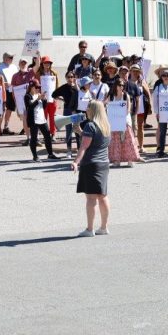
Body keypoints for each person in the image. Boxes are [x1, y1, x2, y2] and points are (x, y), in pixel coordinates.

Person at [71, 100, 112, 237]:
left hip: (91, 164)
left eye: (88, 107)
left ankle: (90, 229)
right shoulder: (106, 125)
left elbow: (84, 147)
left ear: (93, 110)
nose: (86, 109)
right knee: (103, 196)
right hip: (104, 163)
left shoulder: (90, 125)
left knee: (91, 198)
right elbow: (95, 142)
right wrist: (81, 132)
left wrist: (76, 162)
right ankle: (104, 227)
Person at [105, 79, 142, 167]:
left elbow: (128, 109)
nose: (121, 87)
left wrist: (123, 112)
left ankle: (130, 159)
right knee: (115, 141)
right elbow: (105, 104)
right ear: (116, 86)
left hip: (124, 121)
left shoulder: (126, 95)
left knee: (128, 141)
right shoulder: (111, 96)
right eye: (120, 85)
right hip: (114, 122)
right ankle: (116, 160)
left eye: (122, 85)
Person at [24, 79, 59, 162]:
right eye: (36, 87)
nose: (38, 89)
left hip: (42, 119)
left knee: (47, 135)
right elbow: (30, 107)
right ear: (31, 87)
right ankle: (35, 156)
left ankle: (50, 154)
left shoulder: (39, 94)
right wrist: (38, 99)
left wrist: (44, 100)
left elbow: (43, 107)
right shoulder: (27, 96)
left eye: (39, 87)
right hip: (33, 120)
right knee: (34, 138)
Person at [53, 72, 80, 159]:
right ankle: (69, 150)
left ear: (74, 77)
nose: (70, 78)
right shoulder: (64, 87)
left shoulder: (76, 87)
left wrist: (76, 85)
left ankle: (79, 150)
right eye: (68, 77)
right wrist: (61, 99)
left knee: (77, 130)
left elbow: (81, 94)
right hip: (67, 110)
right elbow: (53, 94)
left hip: (76, 110)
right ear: (66, 78)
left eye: (72, 77)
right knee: (68, 130)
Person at [34, 53, 59, 138]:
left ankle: (53, 134)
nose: (47, 64)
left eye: (48, 63)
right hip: (43, 99)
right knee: (43, 117)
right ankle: (45, 134)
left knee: (52, 117)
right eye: (45, 63)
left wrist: (56, 96)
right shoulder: (38, 74)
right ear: (42, 64)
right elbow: (36, 87)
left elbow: (57, 86)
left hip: (52, 99)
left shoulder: (54, 73)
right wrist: (39, 96)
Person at [128, 64, 152, 153]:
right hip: (130, 108)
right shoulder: (127, 81)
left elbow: (148, 93)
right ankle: (132, 146)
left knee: (140, 126)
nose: (135, 72)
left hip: (141, 106)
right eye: (133, 70)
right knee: (130, 127)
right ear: (130, 71)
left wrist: (150, 106)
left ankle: (141, 146)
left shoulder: (141, 81)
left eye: (137, 71)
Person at [11, 58, 35, 144]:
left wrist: (38, 54)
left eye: (25, 63)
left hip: (31, 100)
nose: (23, 64)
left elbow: (38, 65)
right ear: (19, 64)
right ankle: (28, 138)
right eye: (21, 63)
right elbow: (13, 90)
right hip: (21, 102)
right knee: (25, 119)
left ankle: (34, 137)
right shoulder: (15, 76)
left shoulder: (31, 72)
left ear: (27, 64)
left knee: (33, 119)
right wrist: (16, 104)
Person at [0, 52, 19, 135]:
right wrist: (4, 83)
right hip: (2, 90)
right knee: (2, 109)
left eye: (12, 57)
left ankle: (6, 126)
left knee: (10, 109)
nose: (12, 59)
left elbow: (17, 77)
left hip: (12, 90)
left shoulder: (14, 67)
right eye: (10, 57)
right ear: (5, 58)